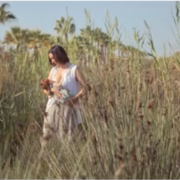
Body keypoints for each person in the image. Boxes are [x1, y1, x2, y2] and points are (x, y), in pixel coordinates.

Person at [40, 45, 87, 153]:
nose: (52, 60)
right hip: (52, 108)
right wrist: (51, 91)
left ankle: (66, 163)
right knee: (48, 136)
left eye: (53, 57)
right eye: (50, 58)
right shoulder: (53, 70)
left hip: (68, 108)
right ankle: (47, 162)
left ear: (60, 55)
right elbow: (45, 89)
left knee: (67, 138)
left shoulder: (74, 69)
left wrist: (74, 99)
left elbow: (86, 87)